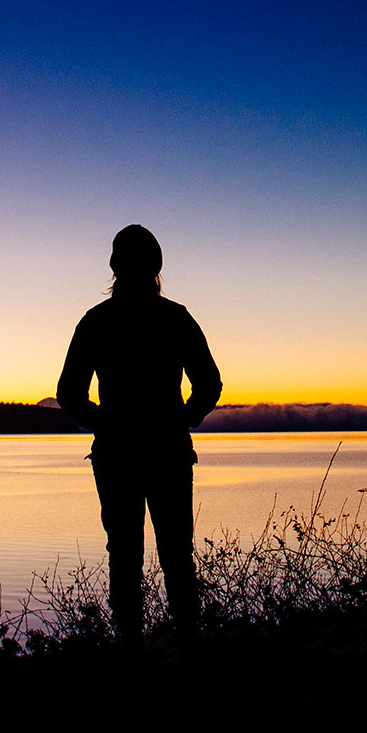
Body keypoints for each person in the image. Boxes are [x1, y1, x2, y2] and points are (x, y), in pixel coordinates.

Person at [57, 224, 221, 645]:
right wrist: (185, 417)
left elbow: (69, 396)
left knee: (124, 557)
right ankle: (187, 649)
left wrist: (105, 423)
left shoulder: (97, 322)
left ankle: (130, 653)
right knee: (176, 557)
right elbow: (209, 383)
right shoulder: (175, 318)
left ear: (115, 268)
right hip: (166, 450)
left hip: (117, 455)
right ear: (156, 269)